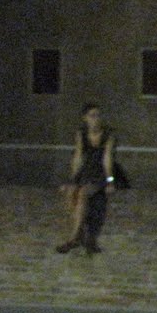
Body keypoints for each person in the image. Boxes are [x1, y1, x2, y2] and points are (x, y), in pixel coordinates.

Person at [56, 103, 119, 254]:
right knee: (71, 192)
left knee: (83, 193)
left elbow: (107, 158)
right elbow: (78, 156)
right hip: (86, 170)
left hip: (100, 173)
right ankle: (83, 234)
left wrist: (110, 180)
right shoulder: (81, 133)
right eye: (92, 116)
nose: (96, 119)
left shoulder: (108, 135)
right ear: (85, 118)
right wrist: (72, 179)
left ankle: (74, 237)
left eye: (98, 115)